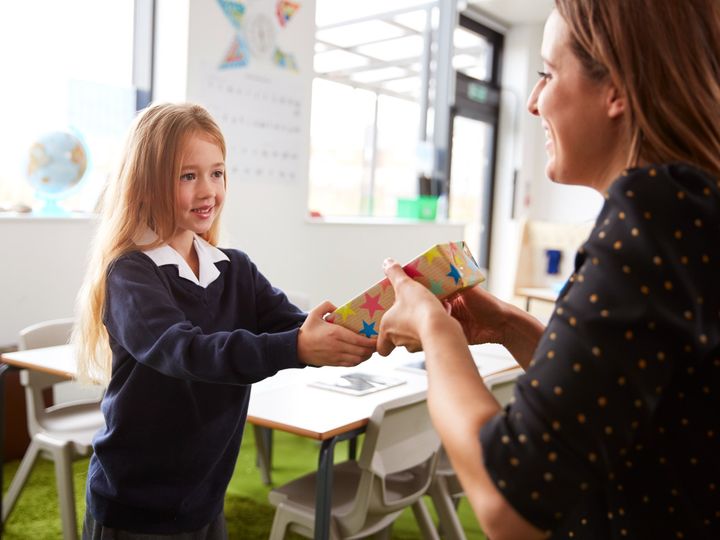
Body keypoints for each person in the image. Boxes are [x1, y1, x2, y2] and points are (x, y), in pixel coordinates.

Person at [377, 0, 720, 538]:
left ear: (618, 89)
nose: (533, 102)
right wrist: (509, 326)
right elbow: (610, 398)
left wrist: (433, 327)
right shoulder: (691, 209)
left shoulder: (653, 212)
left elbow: (509, 502)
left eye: (547, 72)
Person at [72, 102, 376, 538]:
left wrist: (375, 320)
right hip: (134, 503)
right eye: (187, 176)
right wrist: (297, 347)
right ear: (145, 183)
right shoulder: (131, 273)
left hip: (205, 493)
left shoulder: (235, 268)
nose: (207, 190)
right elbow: (185, 351)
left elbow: (291, 323)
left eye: (216, 173)